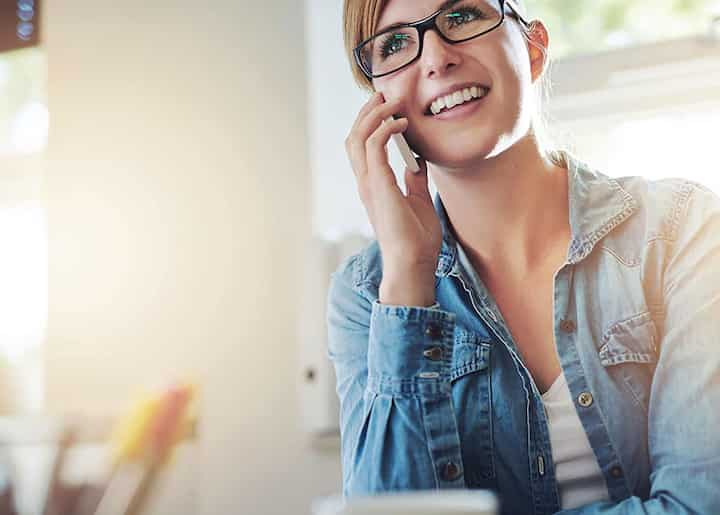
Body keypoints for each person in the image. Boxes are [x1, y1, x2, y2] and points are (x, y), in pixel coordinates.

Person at [326, 0, 720, 513]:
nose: (436, 57)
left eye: (461, 16)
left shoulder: (683, 229)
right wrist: (407, 278)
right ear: (380, 104)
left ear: (534, 49)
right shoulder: (367, 293)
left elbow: (700, 503)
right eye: (395, 43)